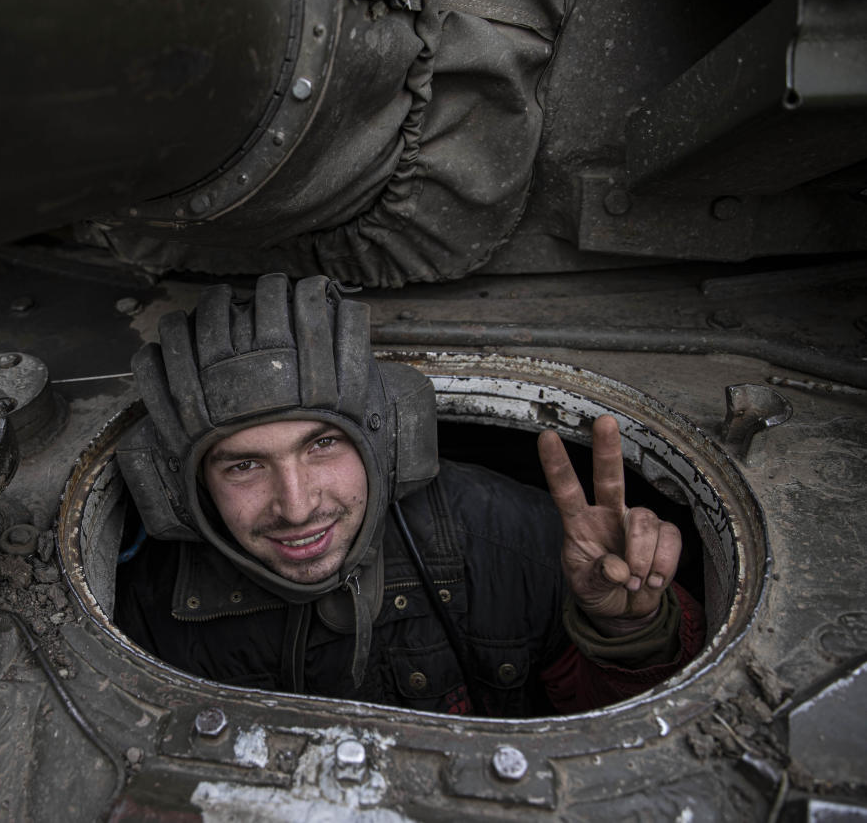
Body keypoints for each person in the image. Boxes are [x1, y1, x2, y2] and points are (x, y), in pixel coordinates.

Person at [113, 274, 704, 716]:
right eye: (243, 465)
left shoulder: (509, 539)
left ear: (387, 442)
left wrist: (629, 633)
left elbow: (613, 726)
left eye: (322, 446)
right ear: (187, 486)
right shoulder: (146, 612)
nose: (295, 506)